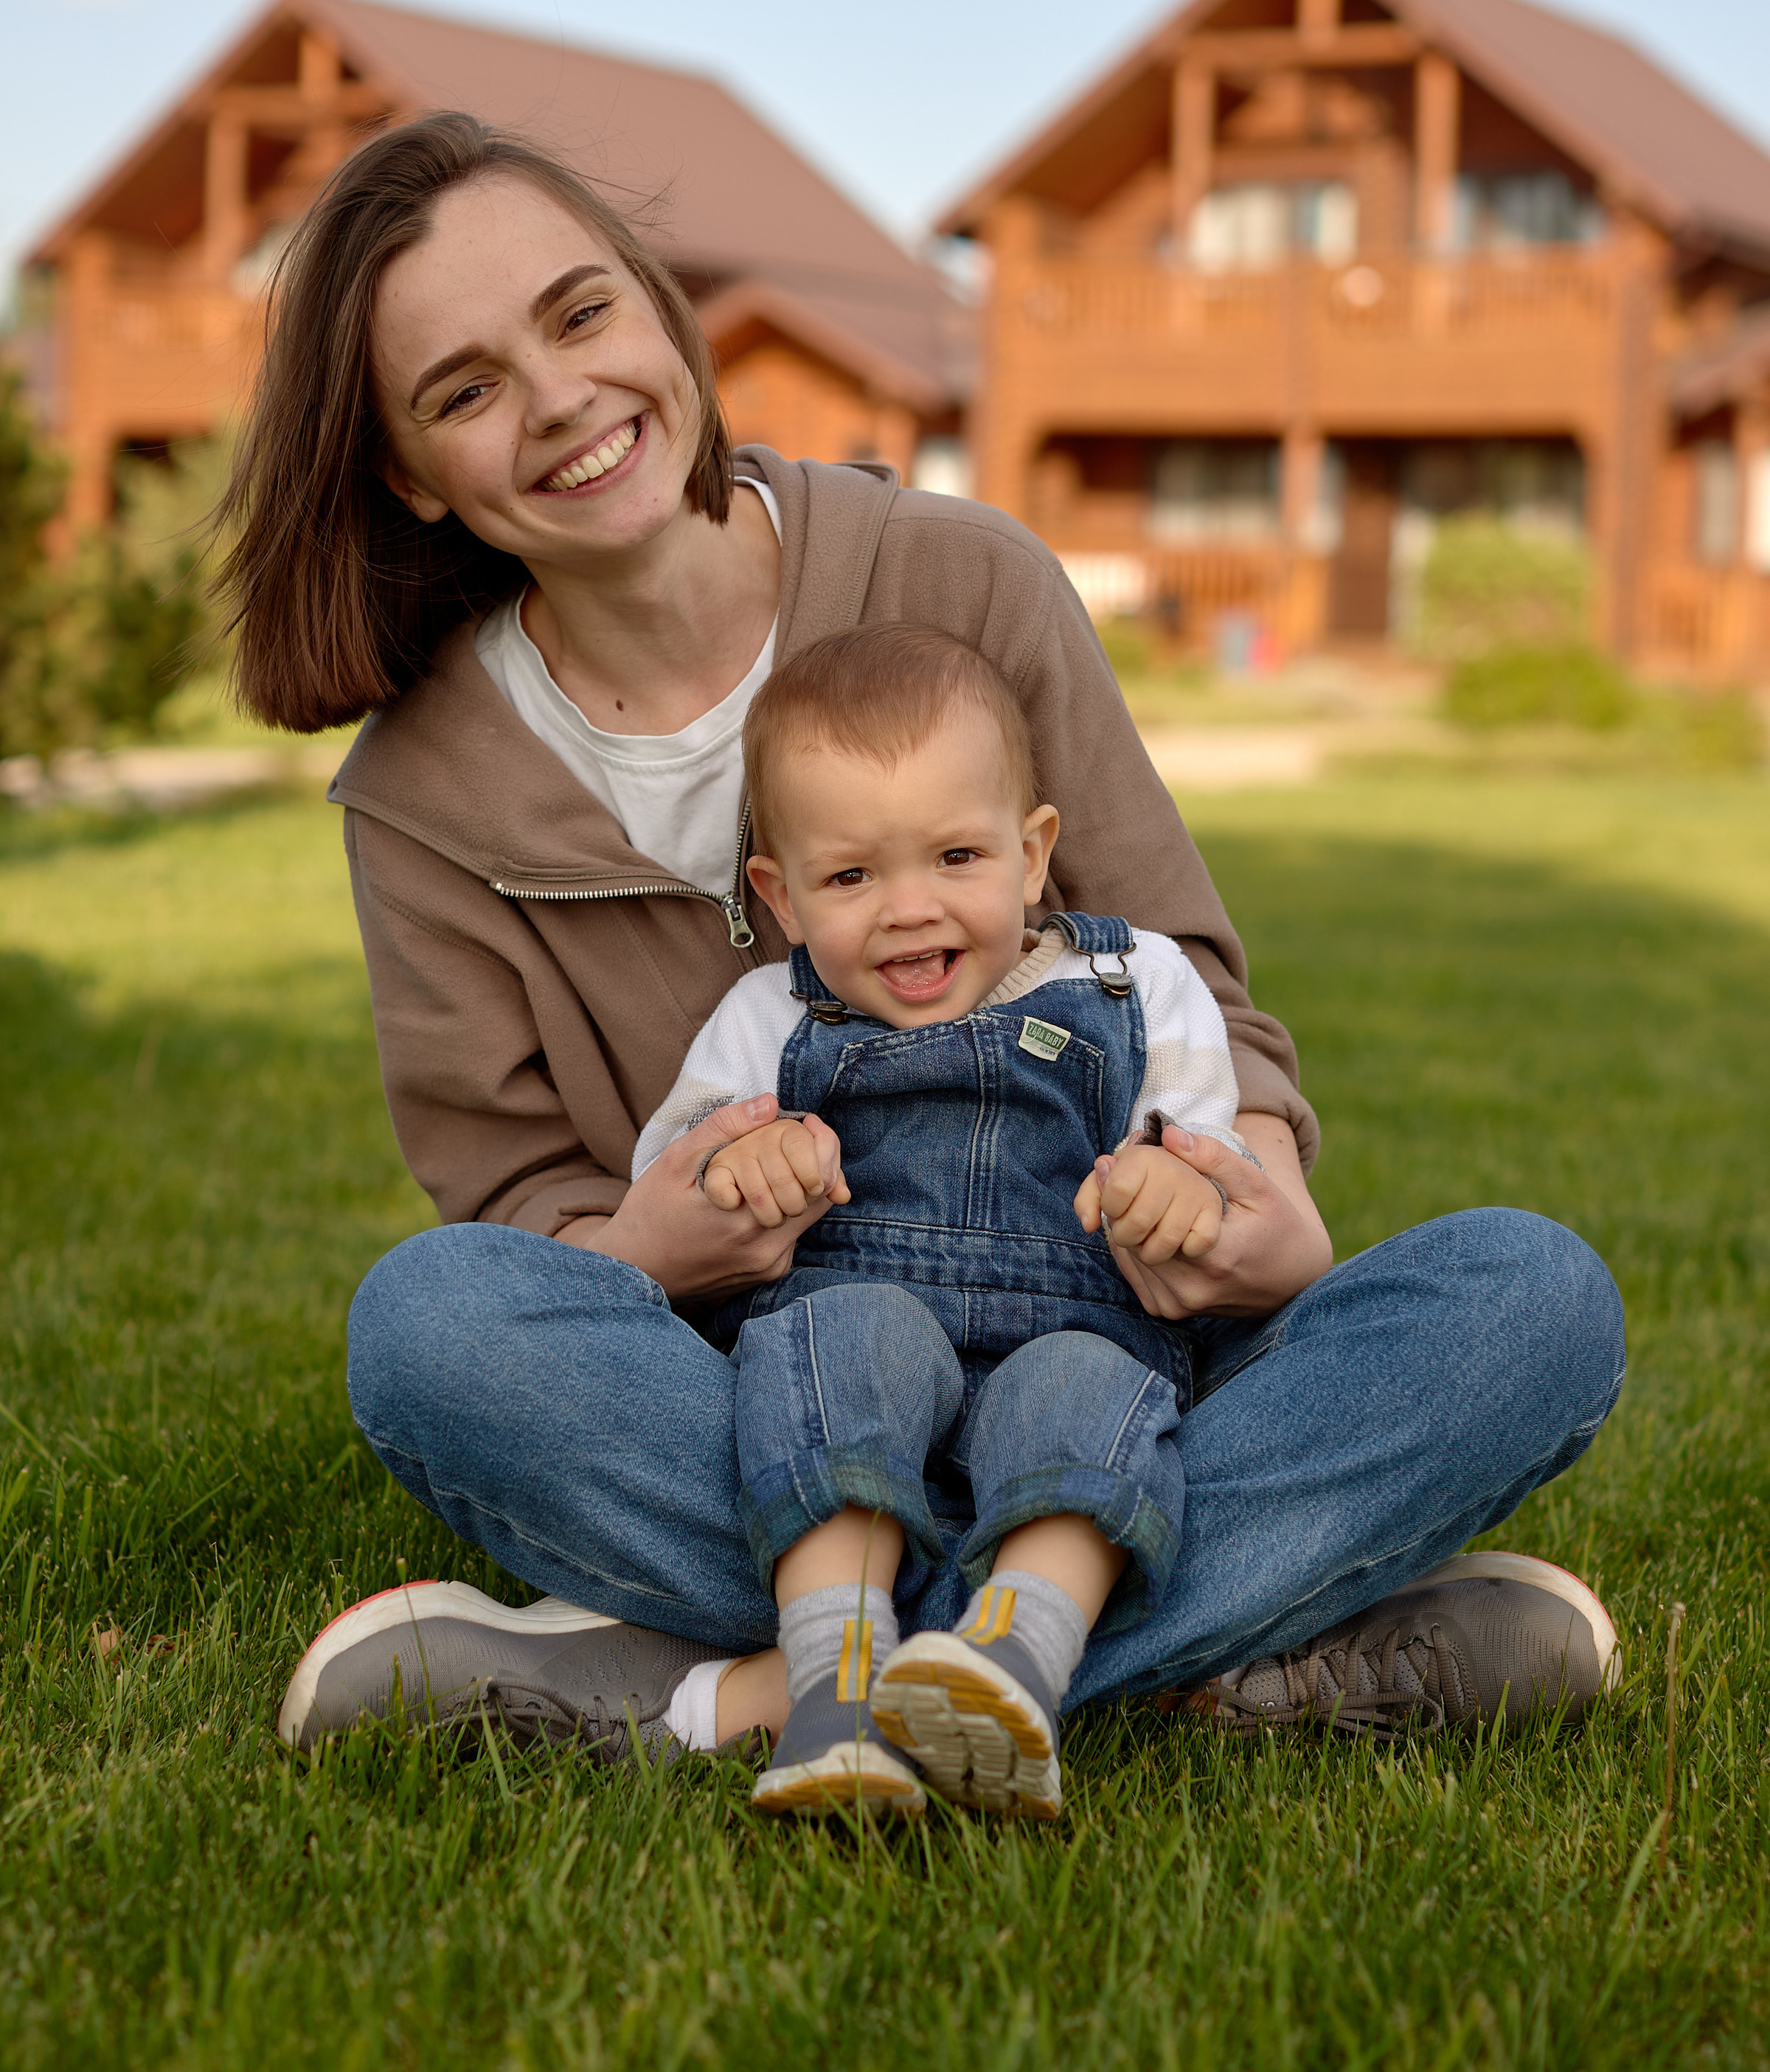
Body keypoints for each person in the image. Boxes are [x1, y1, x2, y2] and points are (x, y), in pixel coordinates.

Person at [227, 111, 1625, 1774]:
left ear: (664, 314)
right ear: (407, 471)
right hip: (766, 1392)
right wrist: (662, 1243)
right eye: (463, 390)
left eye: (582, 314)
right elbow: (516, 1214)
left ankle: (718, 1693)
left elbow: (1180, 978)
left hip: (1111, 1339)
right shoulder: (425, 796)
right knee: (429, 1324)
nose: (558, 402)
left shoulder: (964, 581)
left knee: (1530, 1298)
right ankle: (1189, 1647)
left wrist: (1253, 1194)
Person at [642, 619, 1277, 1821]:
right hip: (855, 1352)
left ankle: (1012, 1662)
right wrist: (745, 1160)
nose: (907, 910)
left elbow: (1214, 1150)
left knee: (1086, 1394)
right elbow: (673, 1172)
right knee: (841, 1347)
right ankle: (834, 1681)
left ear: (1035, 855)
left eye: (955, 856)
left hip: (1073, 1330)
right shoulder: (766, 1017)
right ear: (779, 896)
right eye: (850, 877)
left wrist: (1175, 1184)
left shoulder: (1136, 984)